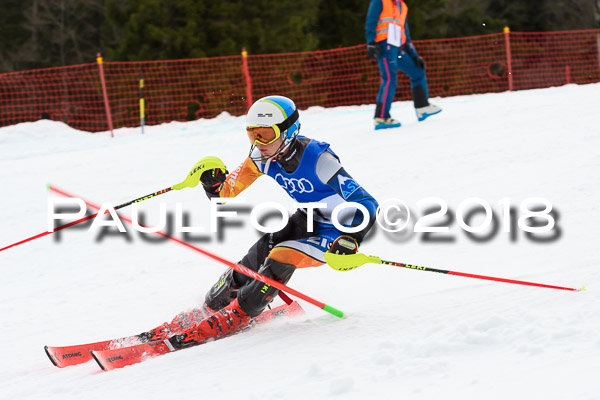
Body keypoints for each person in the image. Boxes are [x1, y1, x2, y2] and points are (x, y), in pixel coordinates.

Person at [141, 95, 379, 348]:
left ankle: (240, 314)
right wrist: (211, 181)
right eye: (252, 134)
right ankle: (211, 308)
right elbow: (225, 192)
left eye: (266, 134)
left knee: (282, 254)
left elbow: (367, 203)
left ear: (288, 132)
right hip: (309, 219)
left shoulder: (319, 159)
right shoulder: (260, 157)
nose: (258, 142)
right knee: (259, 252)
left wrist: (352, 239)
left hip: (338, 232)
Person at [365, 0, 442, 130]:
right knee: (389, 79)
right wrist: (371, 42)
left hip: (397, 48)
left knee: (417, 71)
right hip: (384, 46)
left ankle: (422, 107)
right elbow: (370, 22)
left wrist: (414, 55)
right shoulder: (380, 1)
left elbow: (405, 33)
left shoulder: (402, 6)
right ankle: (381, 117)